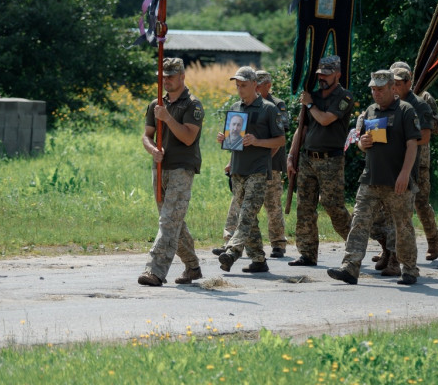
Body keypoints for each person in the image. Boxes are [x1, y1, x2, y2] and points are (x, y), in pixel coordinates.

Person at [328, 70, 423, 286]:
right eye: (373, 89)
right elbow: (363, 144)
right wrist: (363, 143)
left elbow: (412, 145)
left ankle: (409, 269)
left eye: (380, 89)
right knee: (359, 222)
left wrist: (405, 174)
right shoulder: (370, 111)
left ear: (393, 88)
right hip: (370, 179)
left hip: (397, 181)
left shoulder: (406, 111)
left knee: (403, 227)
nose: (376, 93)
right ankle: (350, 267)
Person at [138, 58, 205, 287]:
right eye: (163, 76)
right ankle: (193, 266)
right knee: (174, 221)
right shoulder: (155, 104)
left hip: (181, 168)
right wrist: (152, 149)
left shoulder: (192, 105)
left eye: (171, 76)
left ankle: (154, 271)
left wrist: (167, 117)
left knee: (168, 221)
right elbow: (146, 135)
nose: (166, 80)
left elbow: (188, 137)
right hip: (160, 168)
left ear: (182, 77)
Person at [286, 55, 355, 266]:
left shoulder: (344, 97)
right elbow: (303, 128)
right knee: (305, 206)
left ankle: (355, 244)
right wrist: (291, 155)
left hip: (330, 160)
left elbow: (325, 119)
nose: (322, 78)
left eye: (326, 75)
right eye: (320, 75)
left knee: (333, 206)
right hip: (307, 158)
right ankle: (307, 253)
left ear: (338, 75)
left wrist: (309, 105)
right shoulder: (313, 96)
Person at [217, 66, 285, 273]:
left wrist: (257, 141)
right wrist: (225, 140)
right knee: (250, 217)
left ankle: (232, 251)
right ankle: (258, 260)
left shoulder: (268, 109)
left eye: (243, 85)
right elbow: (234, 139)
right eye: (237, 85)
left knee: (246, 214)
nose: (239, 89)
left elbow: (281, 140)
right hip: (238, 170)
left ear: (254, 84)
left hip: (258, 170)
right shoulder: (237, 107)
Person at [391, 62, 438, 261]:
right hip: (395, 158)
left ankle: (433, 240)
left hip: (419, 158)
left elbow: (434, 128)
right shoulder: (390, 99)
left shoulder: (424, 99)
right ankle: (391, 249)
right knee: (391, 204)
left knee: (420, 203)